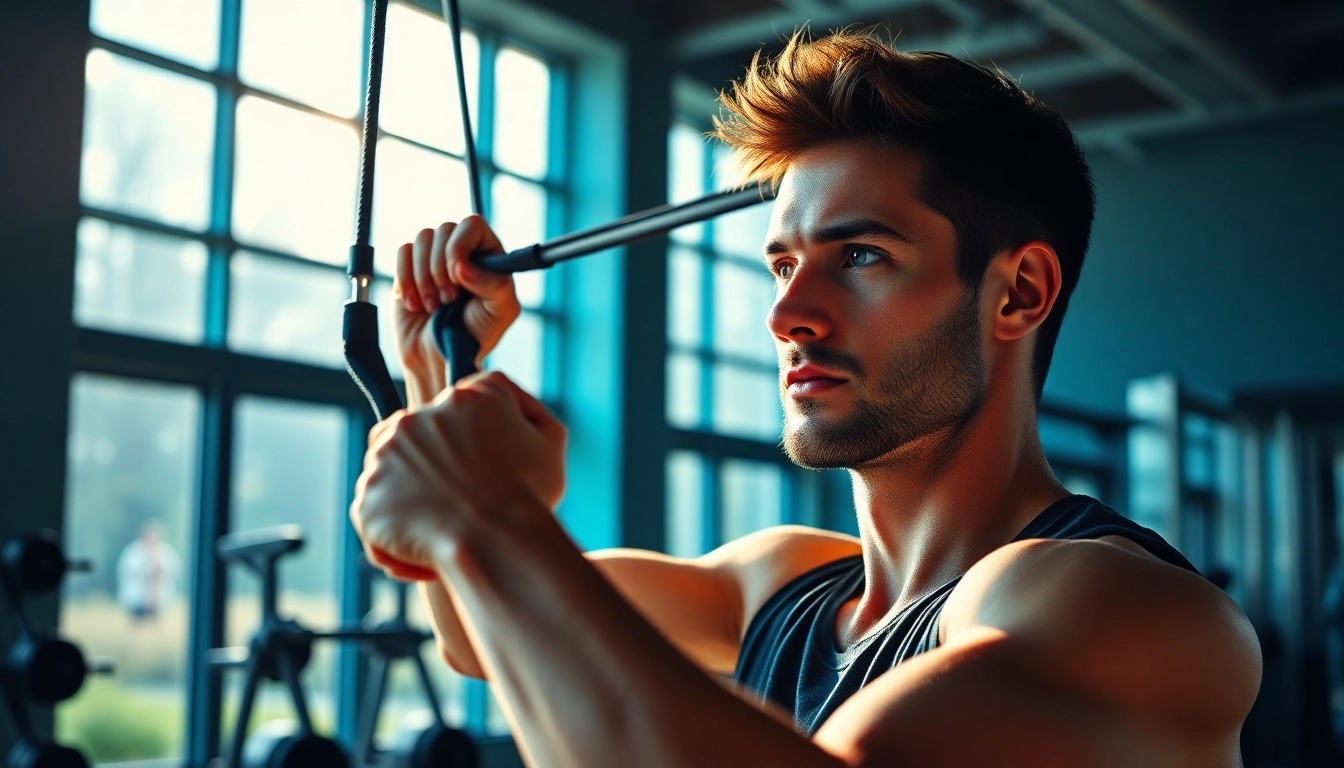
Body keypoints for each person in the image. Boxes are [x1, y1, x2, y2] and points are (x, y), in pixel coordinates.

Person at [349, 30, 1262, 766]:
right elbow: (485, 633)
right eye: (784, 264)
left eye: (860, 256)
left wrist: (490, 515)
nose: (789, 314)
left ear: (1017, 292)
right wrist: (443, 368)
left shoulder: (1124, 609)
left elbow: (502, 576)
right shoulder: (781, 587)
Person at [116, 519, 180, 622]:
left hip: (160, 599)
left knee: (155, 626)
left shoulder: (167, 552)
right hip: (136, 599)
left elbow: (170, 572)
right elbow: (130, 572)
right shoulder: (134, 552)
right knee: (138, 624)